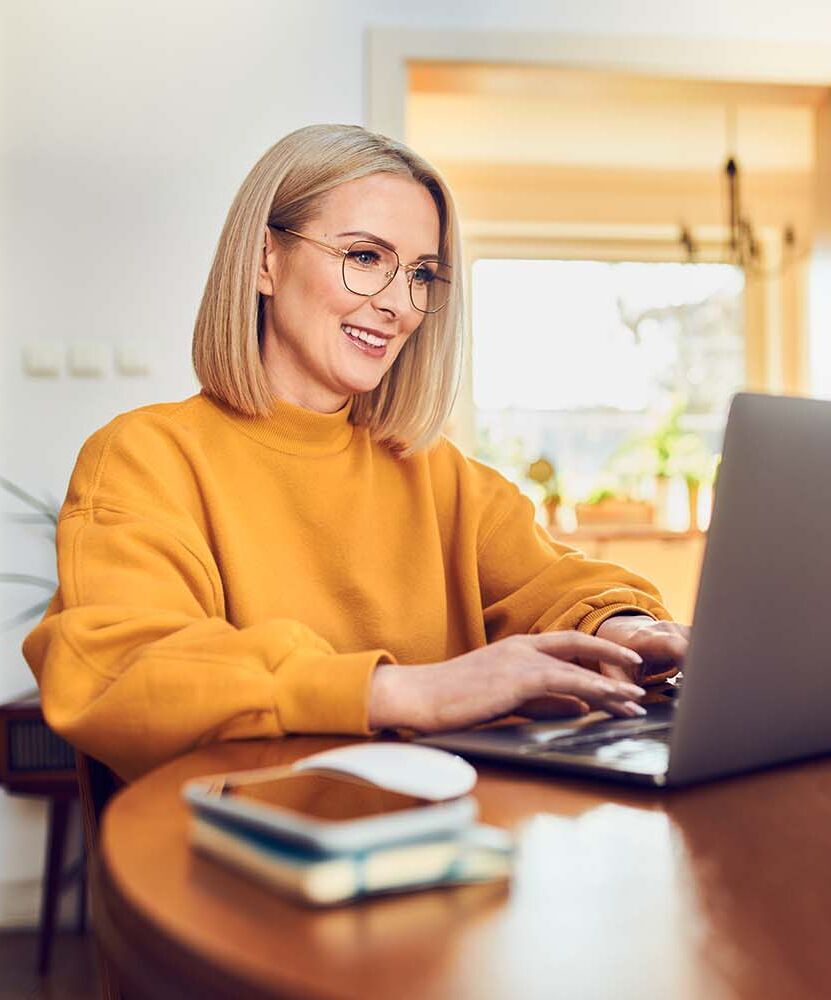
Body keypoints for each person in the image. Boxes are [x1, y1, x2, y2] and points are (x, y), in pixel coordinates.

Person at [23, 124, 688, 781]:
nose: (399, 305)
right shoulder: (144, 458)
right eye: (366, 257)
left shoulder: (435, 472)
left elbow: (560, 584)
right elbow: (123, 669)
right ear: (264, 260)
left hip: (442, 833)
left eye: (421, 274)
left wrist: (623, 629)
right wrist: (405, 693)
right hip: (239, 837)